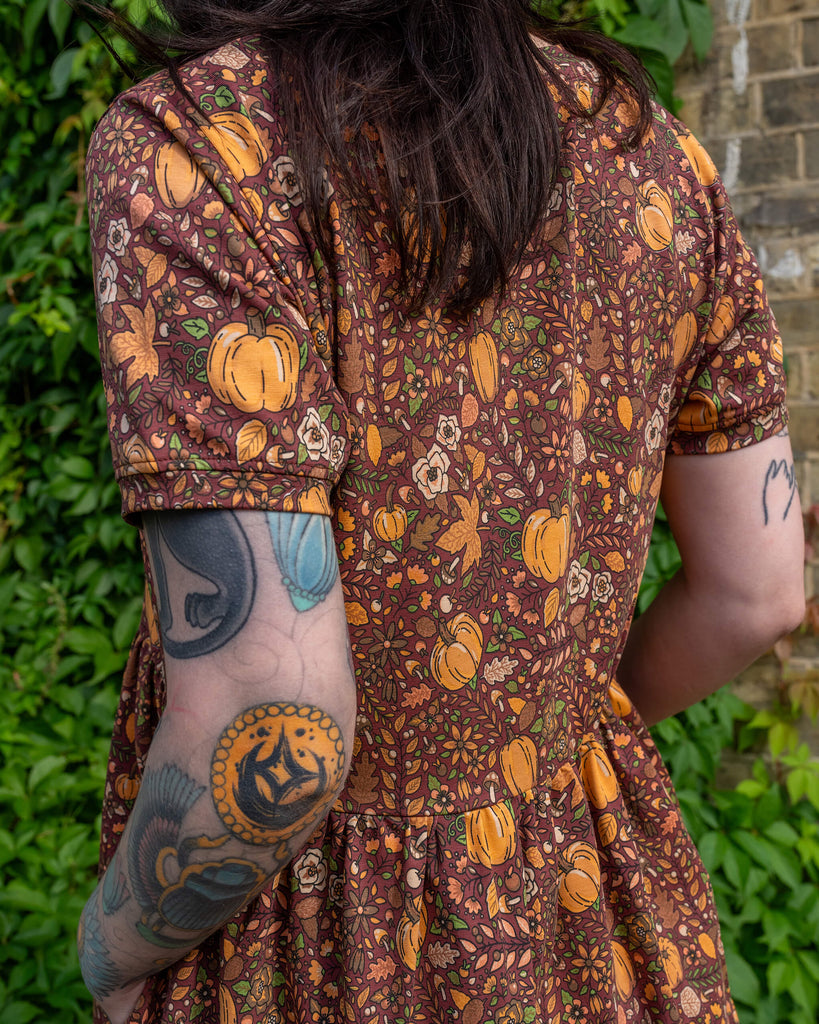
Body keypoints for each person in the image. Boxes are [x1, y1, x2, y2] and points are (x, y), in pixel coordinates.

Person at [78, 2, 805, 1022]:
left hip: (310, 941)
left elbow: (270, 714)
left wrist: (109, 949)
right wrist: (544, 733)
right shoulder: (657, 161)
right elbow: (758, 593)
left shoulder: (200, 148)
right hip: (582, 908)